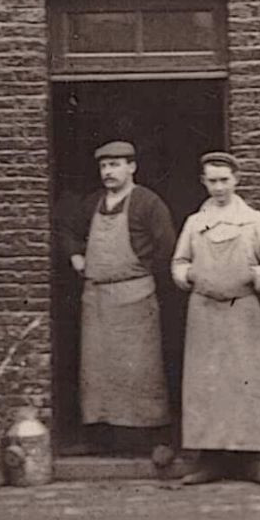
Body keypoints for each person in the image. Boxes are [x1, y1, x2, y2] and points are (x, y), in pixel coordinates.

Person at [171, 152, 260, 487]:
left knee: (246, 382)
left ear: (236, 179)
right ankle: (211, 460)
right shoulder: (195, 223)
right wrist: (188, 274)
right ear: (203, 182)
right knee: (206, 385)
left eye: (225, 180)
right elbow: (178, 262)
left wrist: (257, 275)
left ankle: (253, 461)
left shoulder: (253, 220)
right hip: (204, 311)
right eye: (212, 181)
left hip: (242, 311)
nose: (219, 187)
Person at [59, 140, 178, 460]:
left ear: (132, 167)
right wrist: (74, 255)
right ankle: (101, 438)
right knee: (97, 372)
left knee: (140, 372)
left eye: (115, 165)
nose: (108, 172)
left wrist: (146, 271)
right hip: (97, 299)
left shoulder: (147, 203)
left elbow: (167, 247)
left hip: (135, 297)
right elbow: (68, 229)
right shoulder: (92, 203)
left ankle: (150, 438)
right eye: (104, 166)